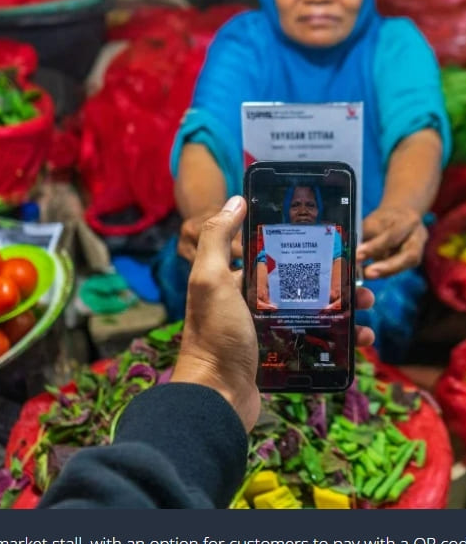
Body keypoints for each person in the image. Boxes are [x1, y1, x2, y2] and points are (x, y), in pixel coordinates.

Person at [155, 0, 452, 363]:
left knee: (371, 305)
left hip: (359, 251)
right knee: (195, 282)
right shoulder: (245, 41)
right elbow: (207, 136)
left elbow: (417, 134)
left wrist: (398, 211)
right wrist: (210, 220)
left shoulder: (396, 44)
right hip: (251, 249)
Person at [41, 198, 377, 508]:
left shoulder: (329, 244)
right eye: (297, 203)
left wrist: (213, 374)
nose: (303, 210)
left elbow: (129, 498)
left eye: (311, 203)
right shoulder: (268, 246)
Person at [255, 183, 343, 310]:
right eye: (295, 205)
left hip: (321, 310)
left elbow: (339, 261)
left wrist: (336, 292)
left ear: (319, 209)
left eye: (310, 205)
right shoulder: (277, 235)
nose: (303, 212)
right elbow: (263, 261)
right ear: (286, 209)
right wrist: (261, 290)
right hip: (282, 309)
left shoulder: (330, 234)